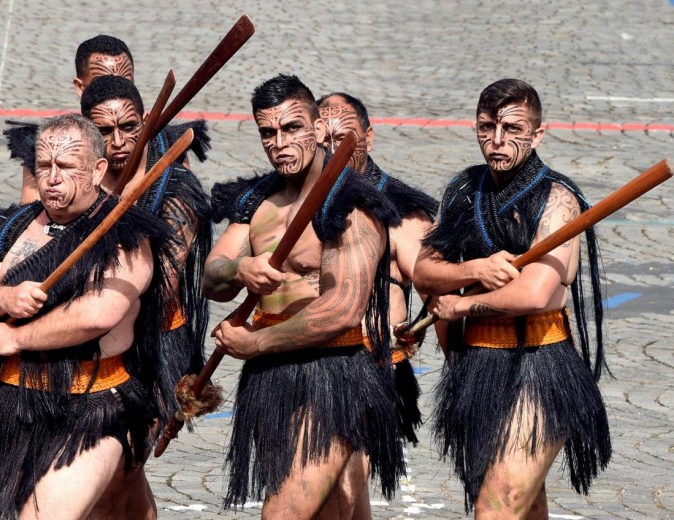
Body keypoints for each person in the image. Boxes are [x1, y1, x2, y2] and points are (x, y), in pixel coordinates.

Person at [0, 113, 176, 519]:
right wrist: (5, 296)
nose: (52, 177)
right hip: (16, 405)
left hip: (93, 406)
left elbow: (99, 311)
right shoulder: (16, 227)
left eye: (67, 167)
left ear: (98, 169)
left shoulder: (127, 234)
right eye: (44, 166)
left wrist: (16, 338)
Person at [205, 74, 404, 519]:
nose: (279, 142)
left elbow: (341, 308)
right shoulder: (259, 200)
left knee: (283, 513)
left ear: (317, 129)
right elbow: (212, 278)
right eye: (268, 132)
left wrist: (254, 343)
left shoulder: (349, 203)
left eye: (292, 128)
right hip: (272, 378)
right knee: (332, 511)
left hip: (330, 372)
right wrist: (242, 268)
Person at [413, 79, 611, 518]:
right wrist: (473, 270)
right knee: (523, 504)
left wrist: (460, 304)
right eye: (487, 127)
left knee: (498, 507)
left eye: (513, 128)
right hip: (478, 365)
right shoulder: (463, 190)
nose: (497, 140)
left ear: (538, 134)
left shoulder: (557, 199)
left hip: (540, 365)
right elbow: (423, 270)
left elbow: (538, 293)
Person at [80, 74, 212, 436]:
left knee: (120, 454)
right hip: (78, 334)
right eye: (104, 131)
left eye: (129, 126)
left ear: (148, 120)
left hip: (150, 339)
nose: (119, 141)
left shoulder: (176, 191)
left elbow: (162, 285)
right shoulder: (77, 178)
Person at [318, 91, 438, 444]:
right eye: (323, 139)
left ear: (368, 138)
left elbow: (435, 289)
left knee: (349, 482)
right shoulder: (297, 202)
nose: (333, 149)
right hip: (309, 364)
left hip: (374, 367)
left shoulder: (404, 212)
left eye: (343, 138)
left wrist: (418, 326)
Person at [6, 34, 136, 204]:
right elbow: (31, 217)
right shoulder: (47, 144)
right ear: (80, 88)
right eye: (101, 84)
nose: (114, 92)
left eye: (124, 83)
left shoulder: (165, 147)